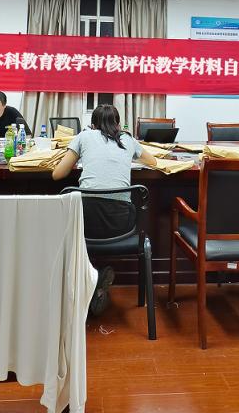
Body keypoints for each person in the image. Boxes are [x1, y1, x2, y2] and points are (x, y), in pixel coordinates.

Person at [51, 104, 160, 315]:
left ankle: (89, 282)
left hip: (85, 223)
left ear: (92, 125)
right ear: (118, 125)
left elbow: (57, 175)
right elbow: (153, 161)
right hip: (122, 225)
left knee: (71, 236)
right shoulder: (127, 139)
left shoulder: (84, 137)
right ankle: (95, 281)